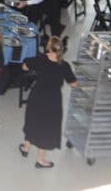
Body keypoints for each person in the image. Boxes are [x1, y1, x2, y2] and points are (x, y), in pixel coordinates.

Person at [19, 36, 79, 169]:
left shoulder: (40, 59)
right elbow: (74, 84)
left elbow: (24, 66)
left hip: (37, 96)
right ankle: (40, 160)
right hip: (52, 100)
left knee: (32, 120)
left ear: (49, 47)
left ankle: (26, 148)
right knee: (46, 127)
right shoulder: (64, 65)